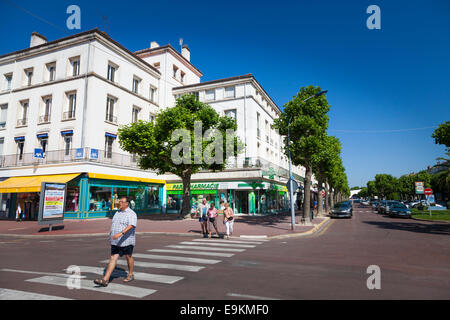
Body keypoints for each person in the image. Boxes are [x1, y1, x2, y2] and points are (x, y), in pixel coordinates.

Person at [94, 196, 137, 287]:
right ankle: (105, 280)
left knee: (128, 257)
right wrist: (111, 236)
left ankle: (130, 274)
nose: (119, 203)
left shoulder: (131, 213)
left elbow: (131, 225)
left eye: (121, 202)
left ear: (127, 203)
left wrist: (120, 234)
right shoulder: (117, 212)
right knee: (113, 258)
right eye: (119, 201)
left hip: (126, 241)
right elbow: (114, 225)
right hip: (115, 241)